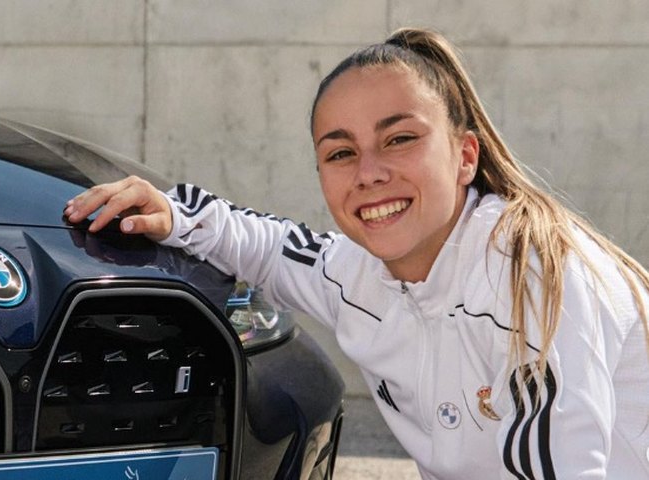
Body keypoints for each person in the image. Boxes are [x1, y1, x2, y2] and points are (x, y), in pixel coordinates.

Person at [64, 28, 649, 479]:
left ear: (465, 156)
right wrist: (174, 214)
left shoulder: (534, 272)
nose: (369, 173)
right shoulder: (362, 276)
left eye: (399, 139)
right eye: (341, 153)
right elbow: (269, 247)